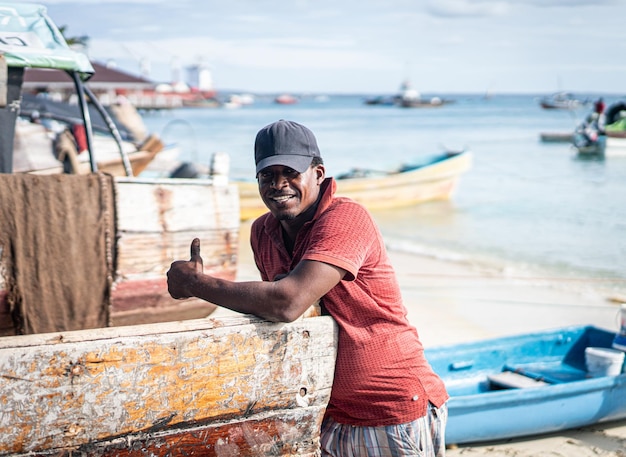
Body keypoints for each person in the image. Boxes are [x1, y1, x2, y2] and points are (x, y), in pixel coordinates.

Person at [167, 119, 449, 456]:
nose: (279, 184)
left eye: (291, 173)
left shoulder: (346, 218)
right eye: (267, 176)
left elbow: (286, 303)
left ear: (318, 173)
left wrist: (197, 284)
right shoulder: (262, 232)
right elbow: (275, 316)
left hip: (390, 408)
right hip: (327, 412)